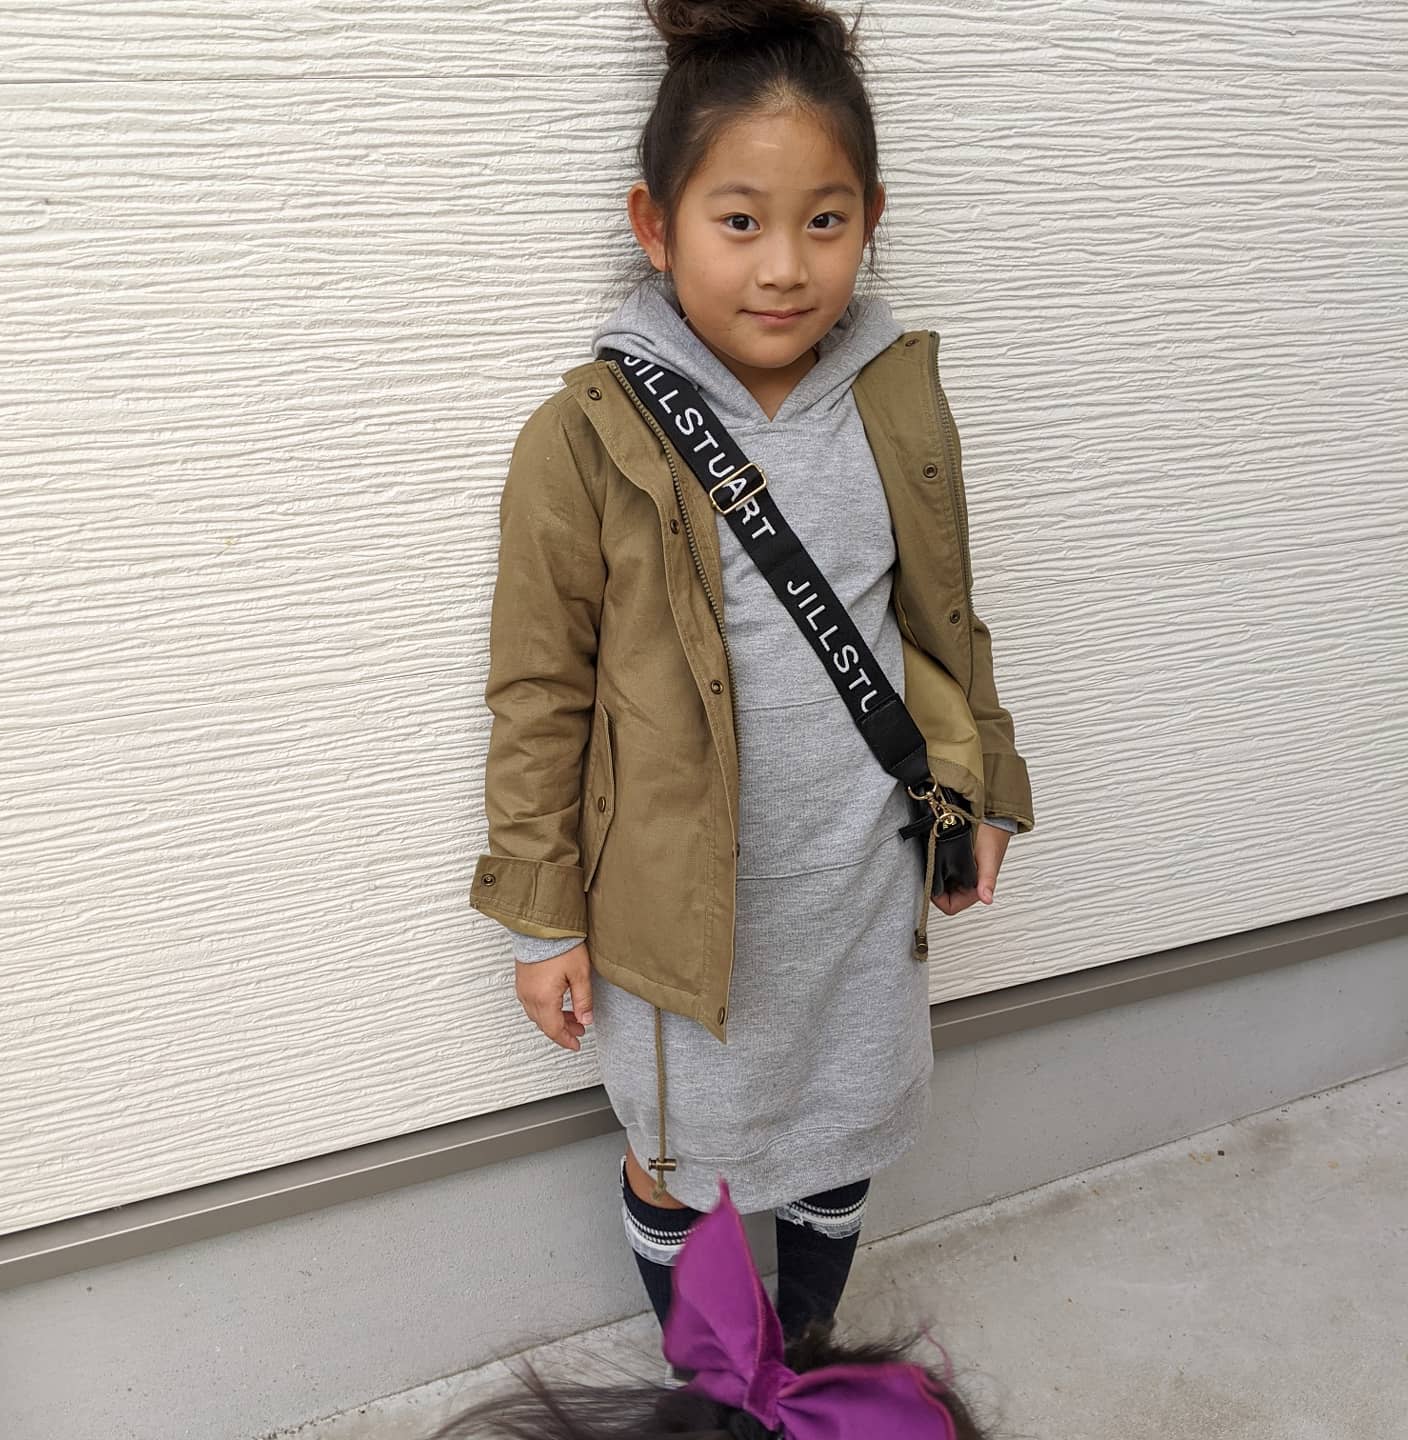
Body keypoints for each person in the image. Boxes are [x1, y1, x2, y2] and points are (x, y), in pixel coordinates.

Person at [467, 0, 1036, 1377]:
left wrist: (983, 790)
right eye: (739, 221)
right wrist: (542, 914)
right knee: (685, 1154)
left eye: (824, 222)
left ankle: (811, 1358)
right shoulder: (583, 438)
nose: (785, 267)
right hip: (678, 904)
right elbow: (539, 693)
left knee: (847, 1129)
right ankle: (722, 1383)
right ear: (654, 226)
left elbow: (945, 618)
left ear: (870, 221)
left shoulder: (898, 403)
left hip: (858, 877)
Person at [429, 1175, 993, 1439]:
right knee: (673, 1147)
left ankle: (765, 1375)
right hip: (674, 990)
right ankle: (766, 1377)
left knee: (838, 1129)